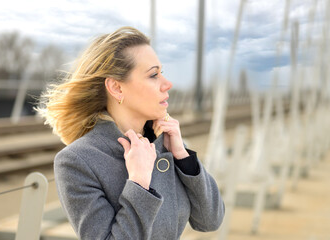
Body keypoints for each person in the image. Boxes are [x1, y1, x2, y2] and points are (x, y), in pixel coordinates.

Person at [36, 26, 224, 240]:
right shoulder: (76, 161)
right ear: (116, 88)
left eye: (162, 73)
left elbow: (210, 220)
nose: (167, 84)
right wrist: (139, 183)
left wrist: (183, 157)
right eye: (153, 75)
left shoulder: (165, 145)